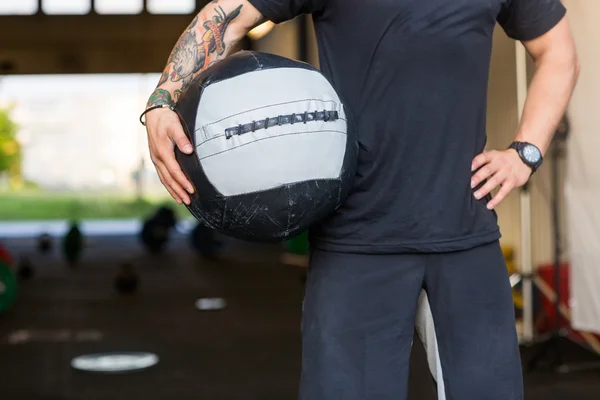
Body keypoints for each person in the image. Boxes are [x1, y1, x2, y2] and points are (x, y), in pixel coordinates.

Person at [142, 0, 579, 398]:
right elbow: (227, 16)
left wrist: (526, 152)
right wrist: (164, 98)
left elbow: (558, 52)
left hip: (466, 235)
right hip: (356, 241)